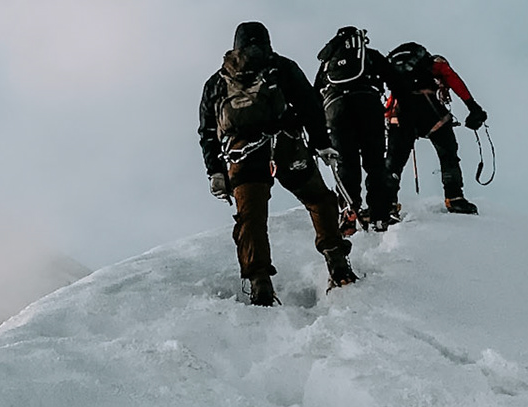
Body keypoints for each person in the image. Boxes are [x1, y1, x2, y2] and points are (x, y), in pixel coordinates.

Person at [199, 21, 356, 305]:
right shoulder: (281, 67)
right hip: (285, 145)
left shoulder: (219, 80)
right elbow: (310, 105)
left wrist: (215, 171)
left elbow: (207, 131)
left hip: (242, 155)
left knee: (251, 217)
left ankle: (260, 282)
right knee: (318, 198)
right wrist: (321, 142)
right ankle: (336, 259)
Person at [312, 26, 401, 234]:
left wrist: (318, 130)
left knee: (346, 162)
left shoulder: (327, 64)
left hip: (335, 109)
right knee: (375, 162)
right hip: (368, 104)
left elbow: (315, 95)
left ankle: (348, 210)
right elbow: (396, 82)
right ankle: (380, 215)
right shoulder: (369, 56)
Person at [384, 40, 488, 215]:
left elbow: (390, 103)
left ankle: (387, 203)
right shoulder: (434, 64)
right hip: (428, 108)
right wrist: (473, 107)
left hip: (400, 113)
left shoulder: (401, 74)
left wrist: (389, 119)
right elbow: (452, 78)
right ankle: (454, 198)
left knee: (394, 160)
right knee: (448, 152)